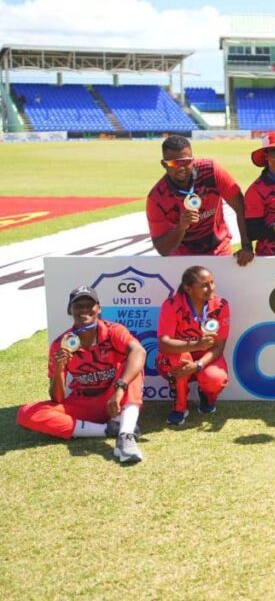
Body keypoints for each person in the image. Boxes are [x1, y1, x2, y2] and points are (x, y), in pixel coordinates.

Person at [17, 286, 146, 464]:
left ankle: (125, 436)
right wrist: (59, 366)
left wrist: (119, 388)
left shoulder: (113, 331)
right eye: (78, 306)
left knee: (132, 366)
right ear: (70, 310)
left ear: (98, 308)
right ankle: (109, 429)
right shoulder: (61, 343)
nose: (84, 310)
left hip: (114, 399)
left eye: (89, 305)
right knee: (26, 414)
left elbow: (139, 351)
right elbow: (57, 398)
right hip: (84, 404)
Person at [146, 135, 254, 265]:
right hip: (183, 257)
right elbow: (162, 249)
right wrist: (181, 227)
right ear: (164, 164)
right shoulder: (156, 197)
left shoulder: (211, 171)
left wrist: (247, 246)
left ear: (192, 160)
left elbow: (240, 206)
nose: (180, 168)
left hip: (219, 249)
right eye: (173, 163)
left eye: (185, 162)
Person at [157, 266, 230, 426]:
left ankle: (206, 395)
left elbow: (219, 347)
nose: (211, 288)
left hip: (205, 359)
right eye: (204, 285)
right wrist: (196, 345)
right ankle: (180, 407)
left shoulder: (220, 305)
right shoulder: (171, 304)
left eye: (212, 283)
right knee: (179, 359)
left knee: (215, 379)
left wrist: (198, 365)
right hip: (179, 356)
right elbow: (164, 345)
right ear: (188, 289)